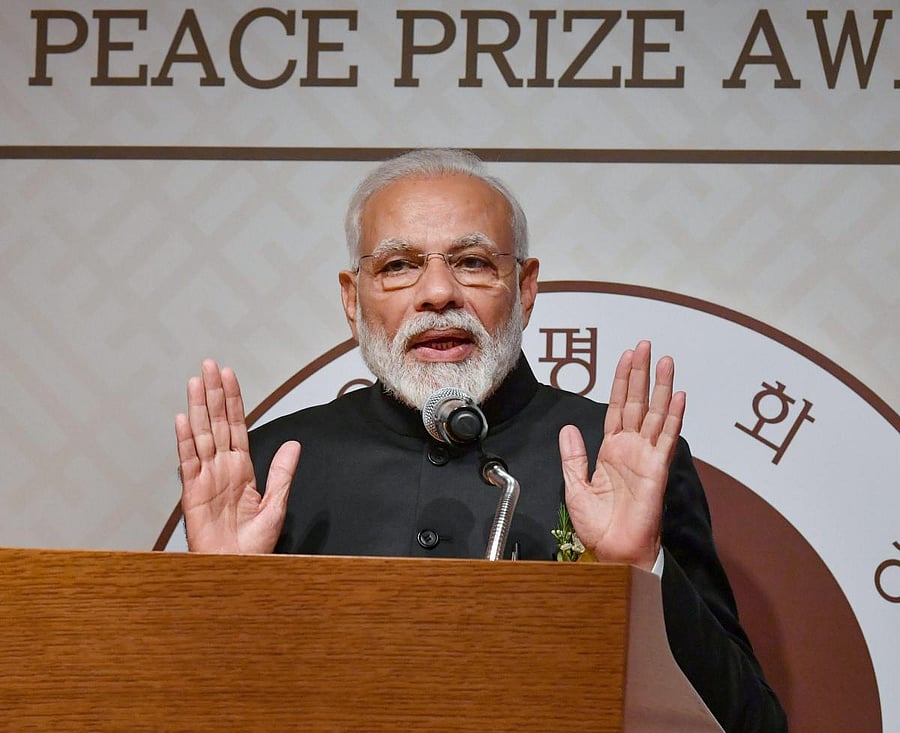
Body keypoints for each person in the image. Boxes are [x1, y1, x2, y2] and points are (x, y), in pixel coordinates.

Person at [175, 149, 787, 731]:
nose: (438, 293)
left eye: (471, 262)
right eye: (398, 266)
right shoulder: (273, 467)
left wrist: (639, 571)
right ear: (351, 299)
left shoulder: (616, 453)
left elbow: (749, 726)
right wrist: (217, 599)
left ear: (523, 288)